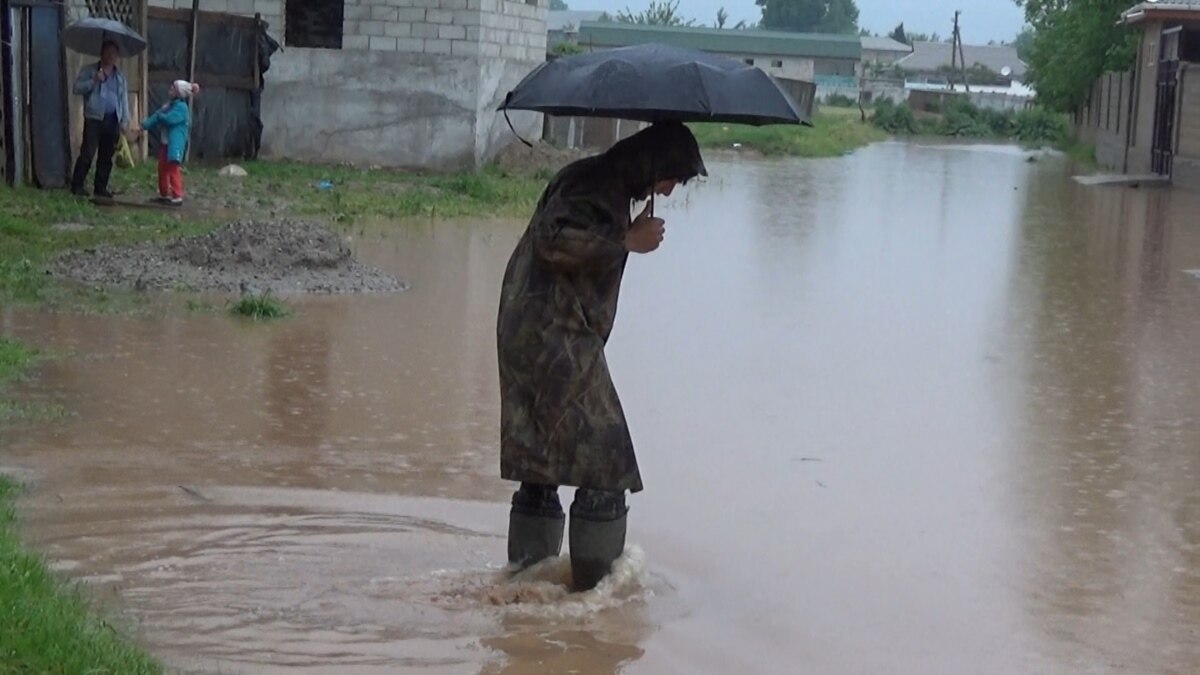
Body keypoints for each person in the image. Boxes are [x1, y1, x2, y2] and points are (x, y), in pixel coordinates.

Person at [496, 122, 707, 591]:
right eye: (672, 178)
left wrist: (624, 235)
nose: (670, 191)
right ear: (653, 166)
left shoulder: (606, 186)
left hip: (542, 330)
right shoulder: (590, 182)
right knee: (607, 462)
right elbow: (553, 241)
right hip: (550, 334)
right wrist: (626, 242)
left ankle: (530, 586)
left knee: (541, 464)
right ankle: (593, 597)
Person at [71, 40, 133, 198]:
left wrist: (125, 120)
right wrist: (94, 81)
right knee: (88, 153)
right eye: (108, 52)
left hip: (113, 119)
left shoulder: (119, 77)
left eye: (114, 53)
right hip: (94, 118)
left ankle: (100, 187)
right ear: (102, 53)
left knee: (106, 156)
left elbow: (123, 99)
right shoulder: (90, 70)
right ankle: (77, 186)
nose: (111, 56)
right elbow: (76, 88)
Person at [141, 80, 199, 206]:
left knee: (173, 169)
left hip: (174, 144)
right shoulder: (169, 106)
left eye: (173, 88)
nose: (170, 90)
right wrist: (144, 125)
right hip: (166, 143)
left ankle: (178, 195)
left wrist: (160, 115)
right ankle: (165, 193)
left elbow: (170, 119)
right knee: (162, 168)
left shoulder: (181, 108)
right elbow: (157, 117)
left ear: (178, 93)